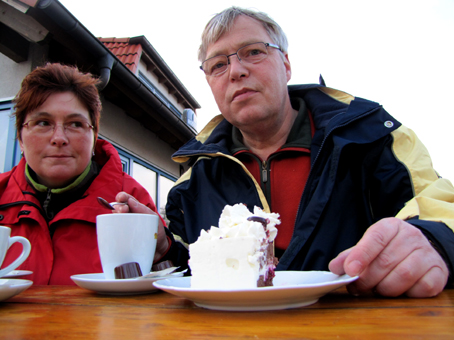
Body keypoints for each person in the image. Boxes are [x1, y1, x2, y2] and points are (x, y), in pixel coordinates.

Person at [118, 7, 454, 297]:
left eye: (253, 52)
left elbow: (438, 204)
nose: (236, 71)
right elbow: (192, 268)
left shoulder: (372, 137)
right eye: (218, 65)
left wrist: (435, 239)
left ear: (287, 64)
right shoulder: (192, 183)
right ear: (209, 83)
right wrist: (164, 247)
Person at [0, 63, 167, 285]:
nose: (59, 138)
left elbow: (165, 287)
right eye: (43, 123)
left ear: (94, 134)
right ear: (20, 138)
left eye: (76, 124)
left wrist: (166, 251)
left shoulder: (133, 199)